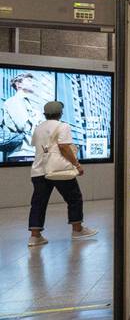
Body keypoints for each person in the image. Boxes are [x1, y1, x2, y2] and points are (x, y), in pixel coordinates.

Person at [27, 99, 96, 246]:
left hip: (38, 170)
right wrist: (77, 164)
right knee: (74, 198)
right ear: (60, 113)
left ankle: (35, 236)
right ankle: (77, 229)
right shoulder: (63, 126)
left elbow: (37, 146)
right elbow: (64, 147)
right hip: (59, 170)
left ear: (45, 114)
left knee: (38, 203)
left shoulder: (38, 127)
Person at [2, 72, 43, 159]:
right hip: (23, 154)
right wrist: (37, 119)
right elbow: (24, 126)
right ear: (18, 84)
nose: (33, 83)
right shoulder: (14, 101)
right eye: (28, 80)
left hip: (30, 152)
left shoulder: (26, 102)